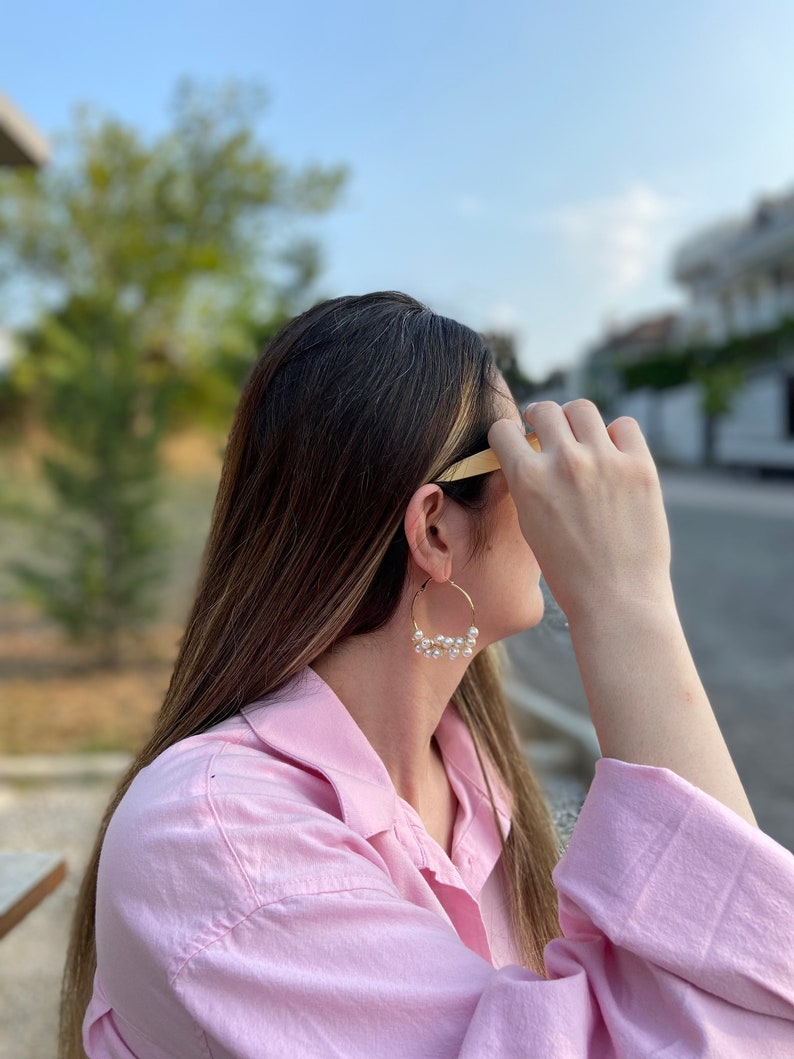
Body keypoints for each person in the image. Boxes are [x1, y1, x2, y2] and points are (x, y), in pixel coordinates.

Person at [61, 292, 794, 1058]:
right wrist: (627, 599)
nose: (550, 485)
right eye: (522, 458)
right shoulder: (225, 847)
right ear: (436, 526)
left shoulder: (472, 776)